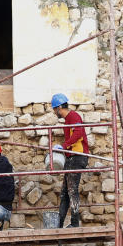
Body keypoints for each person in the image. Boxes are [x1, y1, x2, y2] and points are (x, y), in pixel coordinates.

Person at [51, 93, 89, 228]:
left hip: (78, 156)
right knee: (65, 192)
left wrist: (65, 146)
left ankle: (74, 223)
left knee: (72, 190)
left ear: (59, 107)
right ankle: (59, 224)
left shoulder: (73, 116)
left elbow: (78, 133)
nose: (55, 112)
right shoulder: (68, 120)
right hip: (71, 156)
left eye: (55, 109)